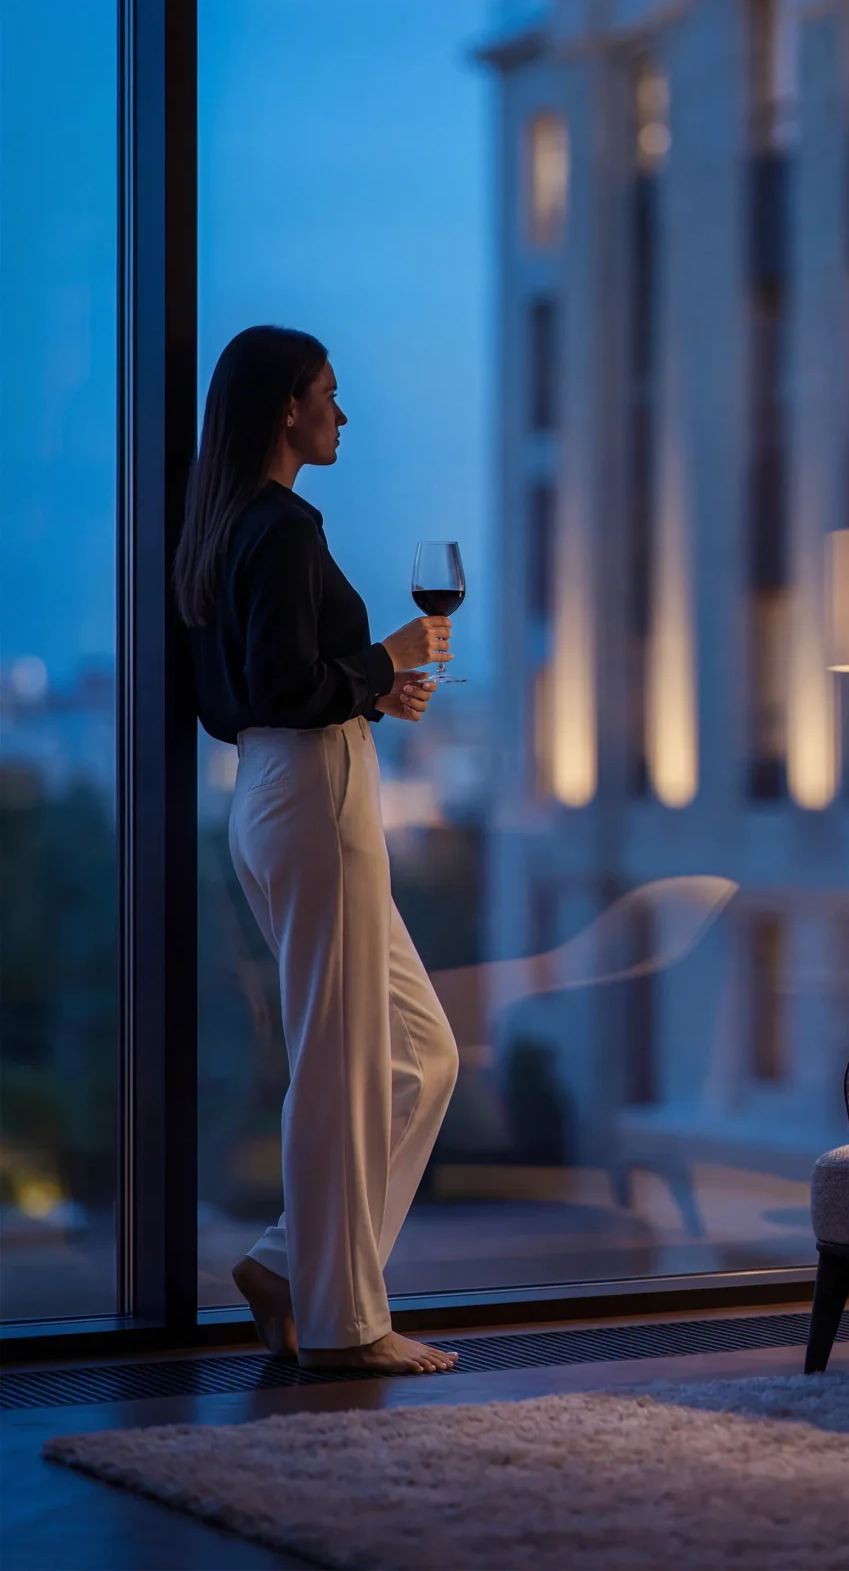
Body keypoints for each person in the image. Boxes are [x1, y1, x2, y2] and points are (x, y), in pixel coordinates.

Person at [175, 324, 461, 1376]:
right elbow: (286, 686)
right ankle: (346, 1329)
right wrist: (382, 659)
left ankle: (287, 1265)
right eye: (328, 395)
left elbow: (249, 695)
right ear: (286, 408)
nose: (342, 415)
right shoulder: (285, 527)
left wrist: (369, 692)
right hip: (314, 795)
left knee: (421, 1054)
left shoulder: (220, 529)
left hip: (272, 789)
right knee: (340, 1067)